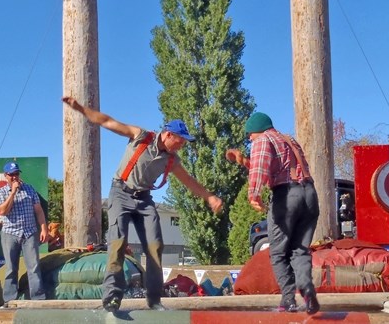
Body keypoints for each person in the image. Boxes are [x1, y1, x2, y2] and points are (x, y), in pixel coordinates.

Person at [62, 96, 224, 312]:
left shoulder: (172, 160)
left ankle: (154, 299)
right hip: (121, 192)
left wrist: (209, 197)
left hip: (145, 200)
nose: (182, 145)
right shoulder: (141, 136)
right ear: (168, 134)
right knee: (117, 243)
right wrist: (81, 109)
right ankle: (111, 297)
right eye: (180, 140)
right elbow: (107, 121)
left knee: (155, 246)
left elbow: (189, 181)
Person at [225, 112, 320, 314]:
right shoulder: (288, 139)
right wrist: (243, 161)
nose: (249, 138)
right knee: (299, 249)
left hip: (287, 196)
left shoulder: (263, 140)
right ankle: (307, 290)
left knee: (277, 252)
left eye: (249, 134)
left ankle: (288, 300)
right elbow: (275, 167)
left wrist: (254, 195)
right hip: (309, 194)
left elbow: (260, 168)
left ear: (257, 130)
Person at [0, 161, 48, 304]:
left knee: (34, 267)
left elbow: (38, 210)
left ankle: (38, 298)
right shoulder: (0, 192)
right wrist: (13, 193)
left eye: (16, 174)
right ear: (6, 176)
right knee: (11, 268)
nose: (15, 177)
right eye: (11, 175)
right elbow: (3, 211)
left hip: (29, 232)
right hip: (10, 233)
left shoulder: (29, 189)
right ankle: (10, 300)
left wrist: (43, 228)